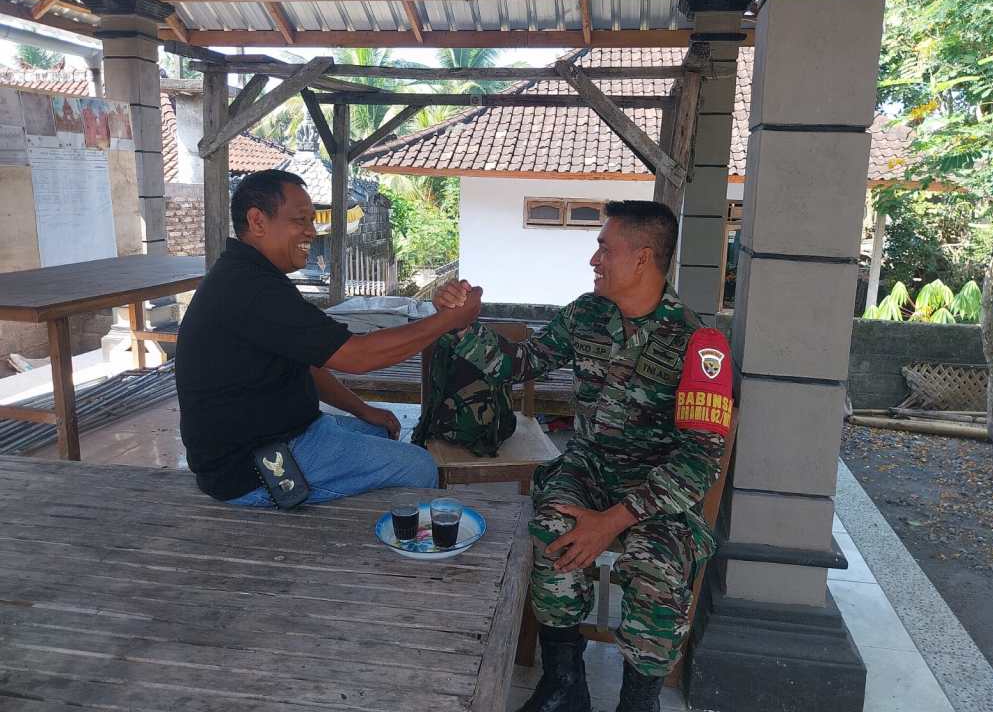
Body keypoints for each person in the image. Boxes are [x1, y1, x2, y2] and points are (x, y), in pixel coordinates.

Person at [444, 201, 729, 712]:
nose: (594, 260)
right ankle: (564, 684)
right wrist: (463, 324)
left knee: (658, 565)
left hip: (656, 489)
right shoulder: (585, 314)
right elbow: (520, 364)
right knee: (551, 531)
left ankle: (638, 701)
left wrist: (611, 522)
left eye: (604, 249)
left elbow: (698, 461)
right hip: (589, 466)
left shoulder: (697, 341)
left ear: (642, 258)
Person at [175, 169, 480, 507]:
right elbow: (358, 356)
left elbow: (308, 363)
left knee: (382, 429)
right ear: (258, 221)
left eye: (311, 220)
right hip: (253, 467)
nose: (311, 230)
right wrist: (448, 320)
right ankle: (391, 539)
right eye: (300, 220)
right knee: (419, 466)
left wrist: (363, 409)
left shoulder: (252, 276)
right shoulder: (250, 288)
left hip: (286, 433)